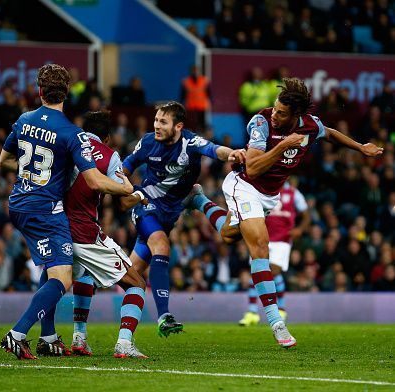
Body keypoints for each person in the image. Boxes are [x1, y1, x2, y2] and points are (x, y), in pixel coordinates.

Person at [185, 77, 383, 348]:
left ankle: (199, 202)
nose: (275, 115)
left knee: (230, 234)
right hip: (243, 185)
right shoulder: (261, 123)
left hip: (269, 196)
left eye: (281, 112)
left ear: (296, 116)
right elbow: (253, 168)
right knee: (260, 247)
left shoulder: (309, 126)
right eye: (275, 109)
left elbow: (331, 132)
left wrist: (360, 147)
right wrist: (283, 145)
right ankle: (276, 322)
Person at [0, 64, 133, 360]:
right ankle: (18, 334)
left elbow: (4, 160)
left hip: (19, 203)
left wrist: (34, 176)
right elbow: (94, 180)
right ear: (67, 94)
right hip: (46, 210)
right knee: (63, 277)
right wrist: (126, 189)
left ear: (39, 91)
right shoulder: (71, 133)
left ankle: (47, 337)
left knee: (53, 268)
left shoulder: (23, 120)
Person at [121, 101, 246, 337]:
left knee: (130, 276)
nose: (156, 126)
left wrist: (232, 153)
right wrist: (126, 189)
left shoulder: (190, 142)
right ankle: (164, 316)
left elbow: (214, 150)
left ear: (178, 126)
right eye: (156, 120)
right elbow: (125, 167)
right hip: (147, 205)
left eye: (163, 122)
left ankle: (122, 336)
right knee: (161, 245)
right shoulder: (148, 142)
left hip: (171, 212)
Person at [45, 110, 147, 359]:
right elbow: (123, 200)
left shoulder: (66, 145)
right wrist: (141, 195)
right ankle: (124, 343)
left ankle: (79, 338)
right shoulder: (109, 155)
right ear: (108, 137)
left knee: (84, 276)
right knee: (137, 284)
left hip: (58, 228)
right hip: (85, 233)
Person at [238, 179, 310, 326]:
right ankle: (252, 313)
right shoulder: (264, 187)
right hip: (261, 236)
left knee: (274, 271)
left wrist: (300, 229)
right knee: (256, 270)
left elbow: (306, 214)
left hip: (282, 239)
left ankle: (281, 309)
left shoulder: (293, 193)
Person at [180, 65, 210, 130]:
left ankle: (201, 137)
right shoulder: (186, 81)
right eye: (193, 70)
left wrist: (211, 103)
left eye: (196, 70)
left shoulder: (204, 80)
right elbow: (182, 95)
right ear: (190, 71)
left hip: (202, 107)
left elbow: (209, 93)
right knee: (191, 125)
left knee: (202, 125)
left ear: (199, 71)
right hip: (190, 107)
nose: (195, 72)